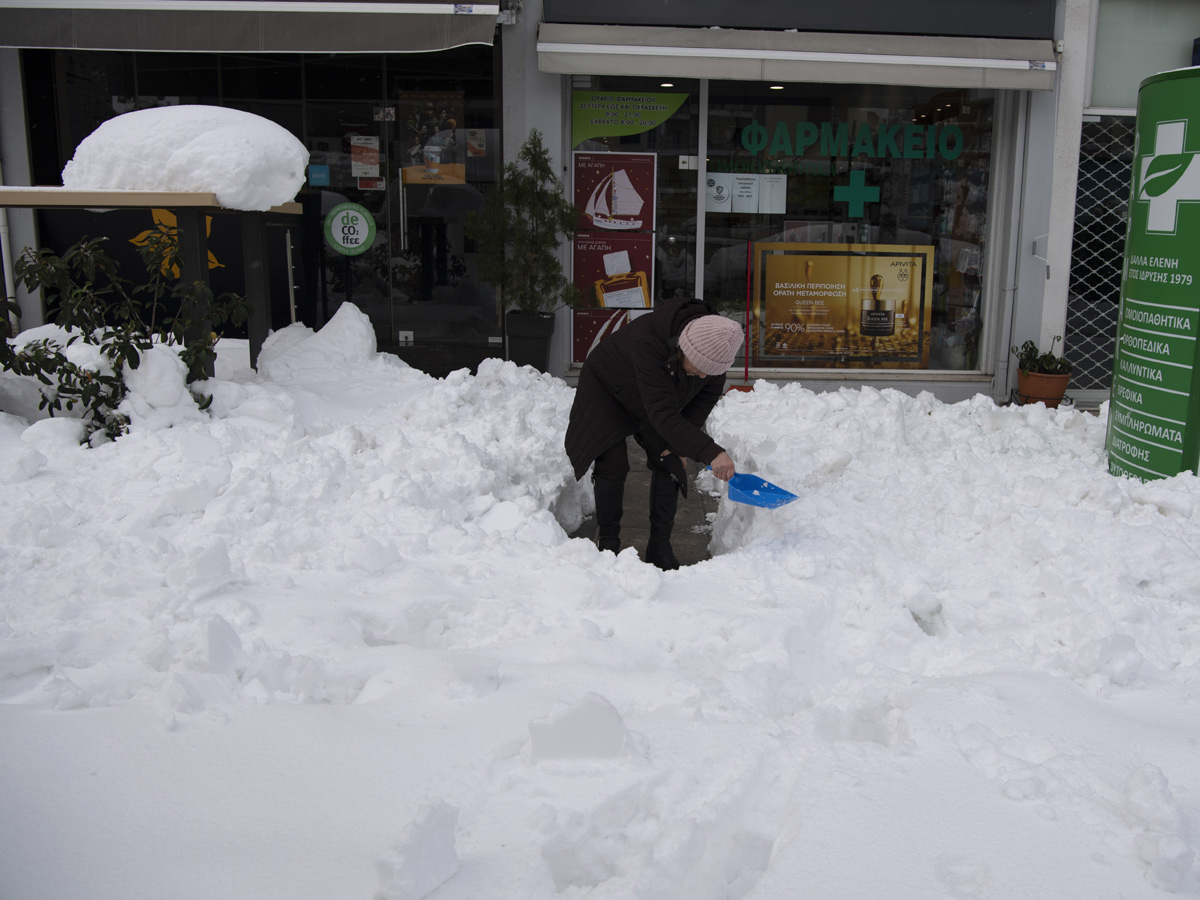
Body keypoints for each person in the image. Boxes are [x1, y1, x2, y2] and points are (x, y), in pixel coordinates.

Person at [565, 298, 743, 569]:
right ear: (684, 348)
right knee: (613, 462)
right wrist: (710, 451)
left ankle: (660, 546)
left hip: (651, 395)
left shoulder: (715, 350)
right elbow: (663, 414)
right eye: (700, 367)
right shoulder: (648, 341)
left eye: (712, 371)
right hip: (607, 389)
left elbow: (701, 402)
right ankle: (608, 544)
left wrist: (681, 446)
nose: (704, 374)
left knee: (669, 459)